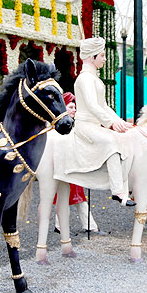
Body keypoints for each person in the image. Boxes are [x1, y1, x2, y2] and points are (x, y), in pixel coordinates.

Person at [68, 37, 135, 206]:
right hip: (85, 125)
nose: (105, 59)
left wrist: (119, 121)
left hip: (95, 124)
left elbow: (103, 105)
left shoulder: (93, 78)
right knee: (111, 141)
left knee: (125, 138)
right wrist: (111, 124)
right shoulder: (84, 79)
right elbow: (91, 105)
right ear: (92, 57)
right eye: (102, 55)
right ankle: (117, 191)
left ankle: (126, 187)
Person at [54, 92, 103, 234]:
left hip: (73, 166)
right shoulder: (60, 127)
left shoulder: (74, 125)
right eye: (71, 107)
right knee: (70, 197)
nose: (74, 110)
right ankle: (88, 226)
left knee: (74, 196)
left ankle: (64, 225)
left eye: (75, 107)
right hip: (65, 167)